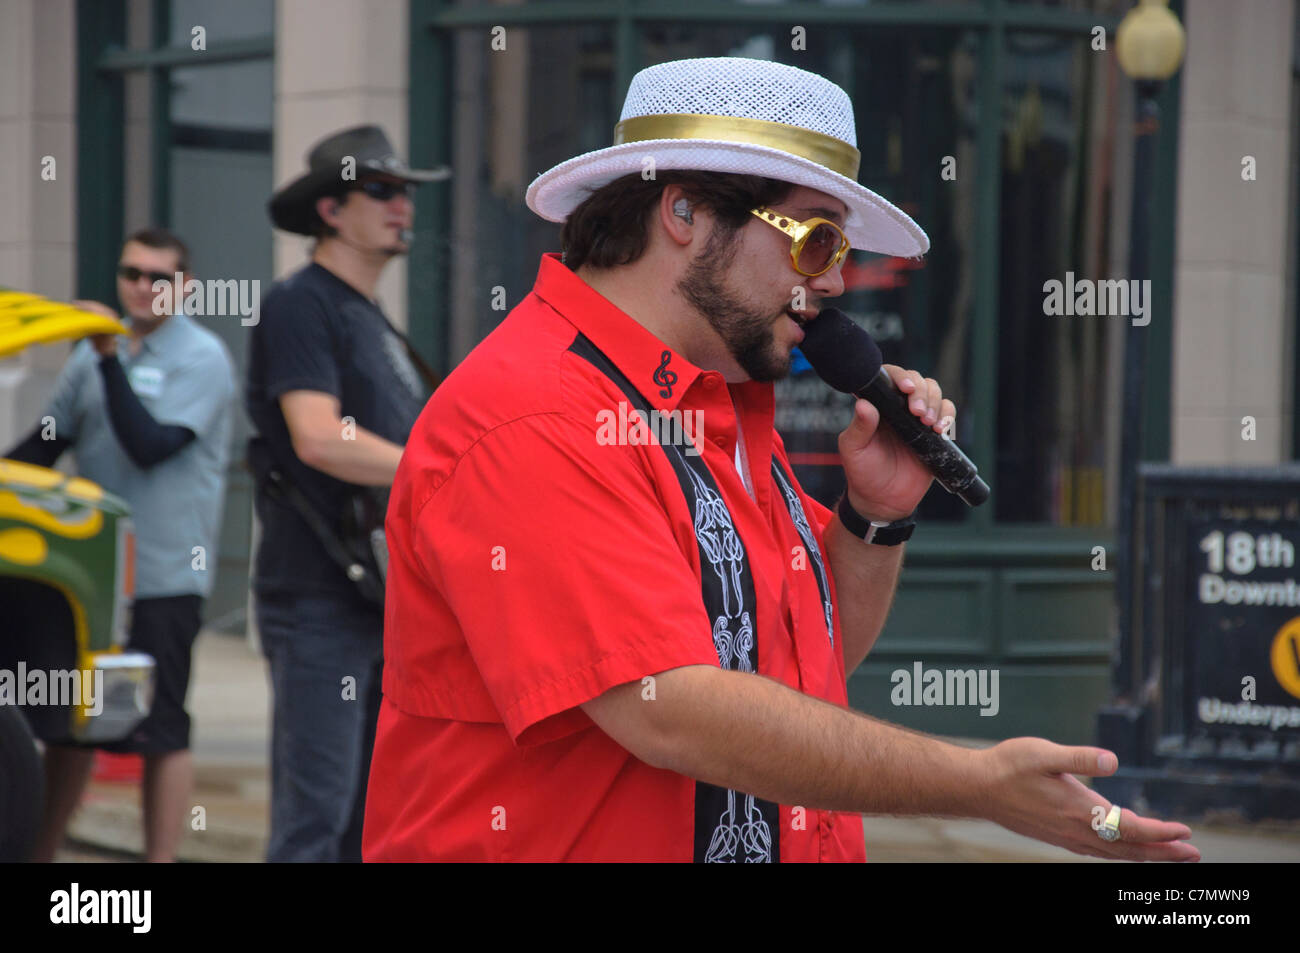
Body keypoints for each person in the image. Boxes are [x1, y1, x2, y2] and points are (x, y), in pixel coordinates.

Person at [363, 57, 1200, 862]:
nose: (836, 282)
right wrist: (980, 783)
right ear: (684, 214)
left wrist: (876, 516)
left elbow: (801, 661)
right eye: (816, 242)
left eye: (841, 253)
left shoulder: (714, 405)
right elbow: (671, 707)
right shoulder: (537, 413)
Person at [6, 227, 236, 863]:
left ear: (185, 286)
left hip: (165, 576)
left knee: (159, 729)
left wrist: (108, 356)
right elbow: (45, 446)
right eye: (131, 273)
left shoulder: (203, 357)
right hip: (90, 583)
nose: (141, 287)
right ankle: (40, 856)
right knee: (71, 724)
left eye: (158, 277)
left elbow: (151, 444)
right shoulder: (91, 357)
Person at [248, 125, 444, 862]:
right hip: (317, 599)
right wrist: (440, 472)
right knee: (315, 824)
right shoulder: (301, 304)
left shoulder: (369, 317)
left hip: (379, 601)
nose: (404, 208)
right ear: (331, 210)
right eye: (385, 192)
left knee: (372, 824)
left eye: (409, 193)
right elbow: (318, 436)